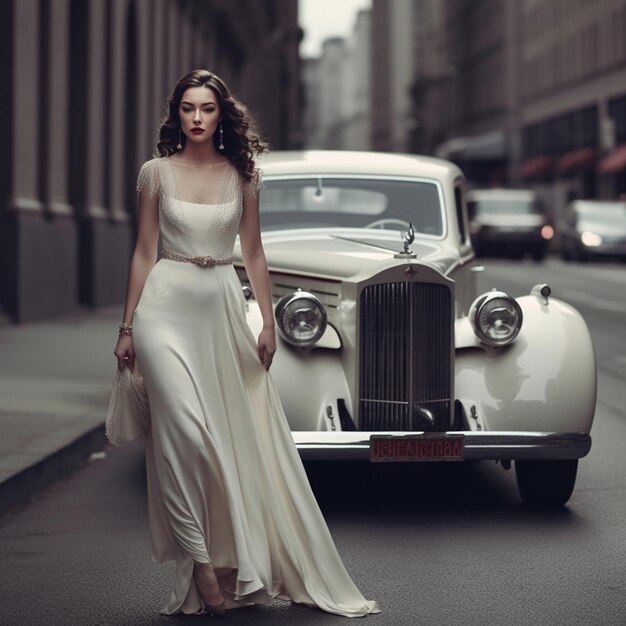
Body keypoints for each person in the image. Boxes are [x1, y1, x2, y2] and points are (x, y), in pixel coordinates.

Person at [113, 69, 380, 619]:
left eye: (206, 108)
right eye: (187, 107)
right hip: (162, 309)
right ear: (176, 114)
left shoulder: (243, 175)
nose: (196, 118)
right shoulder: (155, 174)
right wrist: (126, 326)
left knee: (222, 437)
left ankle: (232, 557)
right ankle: (205, 569)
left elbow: (253, 252)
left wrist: (267, 322)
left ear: (220, 115)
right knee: (183, 432)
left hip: (220, 312)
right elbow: (143, 251)